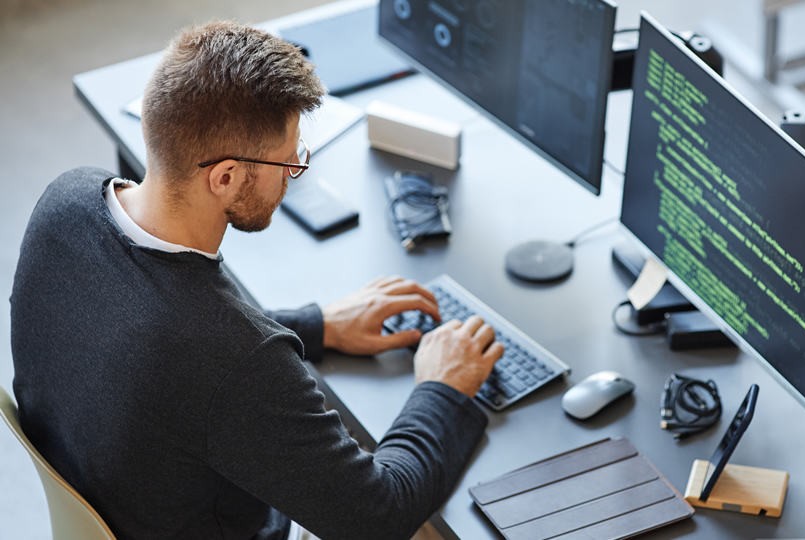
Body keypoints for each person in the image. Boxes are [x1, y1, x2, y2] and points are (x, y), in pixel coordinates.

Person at [10, 21, 502, 540]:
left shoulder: (64, 202)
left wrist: (319, 326)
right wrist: (441, 388)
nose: (294, 170)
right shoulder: (237, 361)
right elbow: (377, 515)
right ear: (224, 177)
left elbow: (150, 332)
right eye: (287, 162)